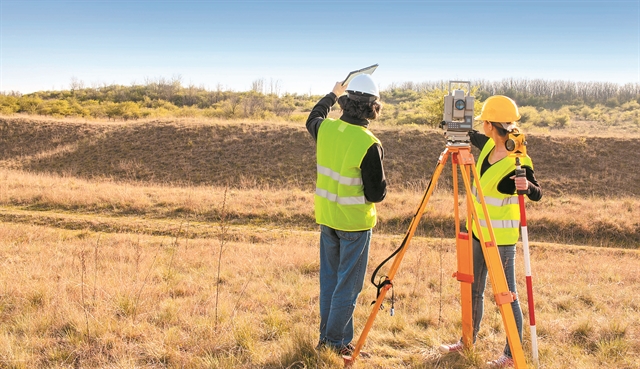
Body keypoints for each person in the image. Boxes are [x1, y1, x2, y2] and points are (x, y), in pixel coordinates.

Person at [439, 95, 542, 368]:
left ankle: (511, 355)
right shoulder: (487, 146)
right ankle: (467, 340)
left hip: (501, 241)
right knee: (472, 289)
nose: (481, 127)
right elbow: (472, 136)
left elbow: (537, 193)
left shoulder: (519, 159)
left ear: (490, 125)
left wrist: (527, 187)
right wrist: (452, 126)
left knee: (506, 297)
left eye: (484, 121)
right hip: (476, 232)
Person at [305, 74, 387, 356]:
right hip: (354, 225)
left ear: (345, 101)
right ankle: (335, 343)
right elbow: (376, 194)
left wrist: (331, 93)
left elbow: (313, 117)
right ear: (372, 108)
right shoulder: (368, 143)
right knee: (348, 287)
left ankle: (327, 339)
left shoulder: (325, 129)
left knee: (330, 281)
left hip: (327, 219)